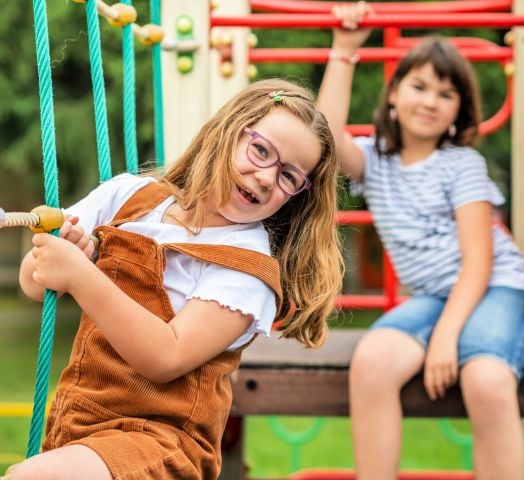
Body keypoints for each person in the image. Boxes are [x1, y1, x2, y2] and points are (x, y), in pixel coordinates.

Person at [8, 78, 343, 480]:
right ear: (228, 132)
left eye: (289, 176)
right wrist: (63, 254)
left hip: (162, 443)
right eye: (260, 150)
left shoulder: (248, 268)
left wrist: (79, 275)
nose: (267, 177)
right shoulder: (129, 198)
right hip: (76, 422)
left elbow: (166, 356)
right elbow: (33, 280)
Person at [317, 3, 524, 479]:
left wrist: (446, 339)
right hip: (437, 297)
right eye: (419, 86)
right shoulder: (377, 160)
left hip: (495, 286)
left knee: (487, 379)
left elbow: (479, 263)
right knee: (371, 362)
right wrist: (345, 51)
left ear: (459, 110)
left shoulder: (462, 165)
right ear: (393, 94)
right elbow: (326, 136)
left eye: (446, 93)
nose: (430, 101)